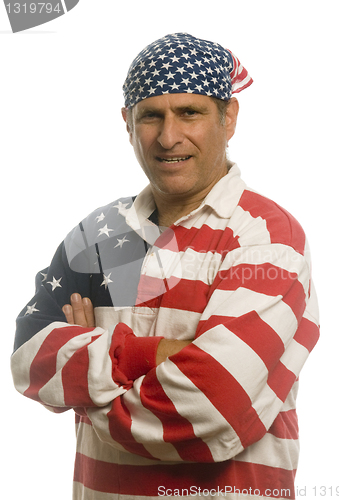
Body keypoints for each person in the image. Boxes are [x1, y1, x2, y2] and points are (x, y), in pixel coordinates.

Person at [11, 33, 320, 500]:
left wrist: (89, 379)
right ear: (127, 122)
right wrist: (159, 356)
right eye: (151, 115)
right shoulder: (97, 235)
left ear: (229, 117)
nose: (169, 136)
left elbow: (213, 404)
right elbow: (28, 362)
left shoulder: (266, 238)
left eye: (190, 113)